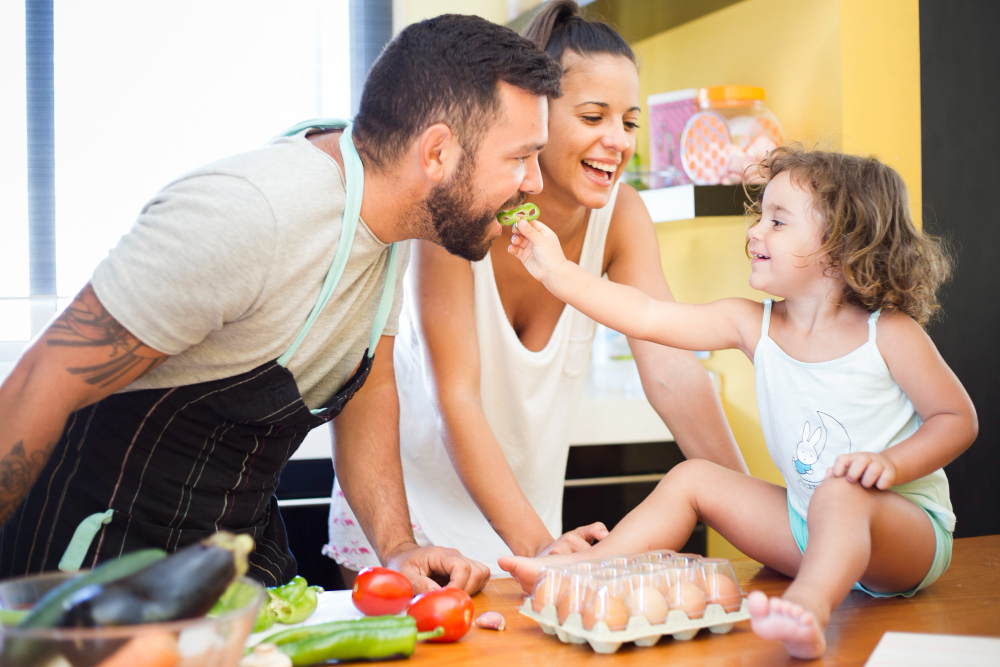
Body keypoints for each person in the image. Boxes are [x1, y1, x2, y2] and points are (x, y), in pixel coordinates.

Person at [0, 14, 563, 594]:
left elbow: (368, 388)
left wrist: (397, 547)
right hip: (91, 563)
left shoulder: (391, 223)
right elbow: (40, 382)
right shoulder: (249, 213)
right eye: (521, 157)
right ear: (437, 152)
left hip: (236, 564)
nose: (535, 184)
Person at [326, 0, 748, 585]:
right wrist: (543, 548)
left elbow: (674, 373)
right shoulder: (461, 212)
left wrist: (769, 520)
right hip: (408, 525)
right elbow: (457, 399)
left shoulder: (622, 216)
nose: (617, 142)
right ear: (536, 116)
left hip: (524, 527)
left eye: (628, 122)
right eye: (594, 116)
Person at [500, 145, 977, 658]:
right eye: (759, 217)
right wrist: (556, 271)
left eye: (778, 221)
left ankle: (808, 610)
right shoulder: (755, 324)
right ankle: (582, 570)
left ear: (840, 246)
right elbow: (647, 315)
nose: (754, 232)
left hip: (907, 538)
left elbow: (957, 419)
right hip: (806, 525)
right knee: (694, 477)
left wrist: (890, 463)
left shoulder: (890, 334)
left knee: (840, 492)